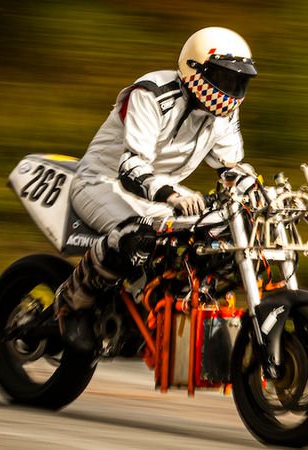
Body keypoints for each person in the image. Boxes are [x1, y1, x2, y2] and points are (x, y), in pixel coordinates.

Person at [55, 27, 258, 353]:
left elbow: (230, 167)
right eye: (224, 78)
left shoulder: (223, 112)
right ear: (196, 69)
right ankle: (72, 304)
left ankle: (170, 305)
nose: (233, 90)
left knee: (218, 234)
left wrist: (258, 192)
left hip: (162, 193)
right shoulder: (151, 94)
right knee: (135, 237)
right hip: (103, 181)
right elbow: (131, 168)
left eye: (239, 81)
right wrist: (174, 197)